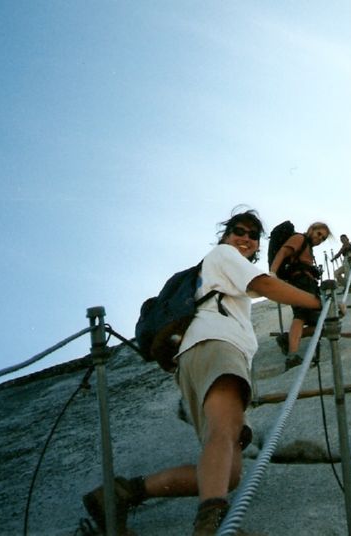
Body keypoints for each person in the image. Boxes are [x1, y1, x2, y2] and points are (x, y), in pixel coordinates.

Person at [81, 209, 322, 536]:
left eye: (253, 236)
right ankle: (209, 525)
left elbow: (256, 287)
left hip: (201, 356)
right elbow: (265, 283)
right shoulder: (224, 255)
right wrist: (314, 301)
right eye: (240, 230)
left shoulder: (222, 272)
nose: (246, 239)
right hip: (216, 345)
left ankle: (124, 493)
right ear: (225, 236)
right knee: (222, 433)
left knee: (229, 472)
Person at [268, 222, 330, 369]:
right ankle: (292, 356)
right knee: (301, 316)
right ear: (311, 229)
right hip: (300, 281)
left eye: (323, 238)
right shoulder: (299, 239)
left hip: (309, 283)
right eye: (318, 233)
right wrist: (272, 274)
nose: (319, 239)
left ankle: (287, 339)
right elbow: (282, 252)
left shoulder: (307, 246)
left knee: (320, 325)